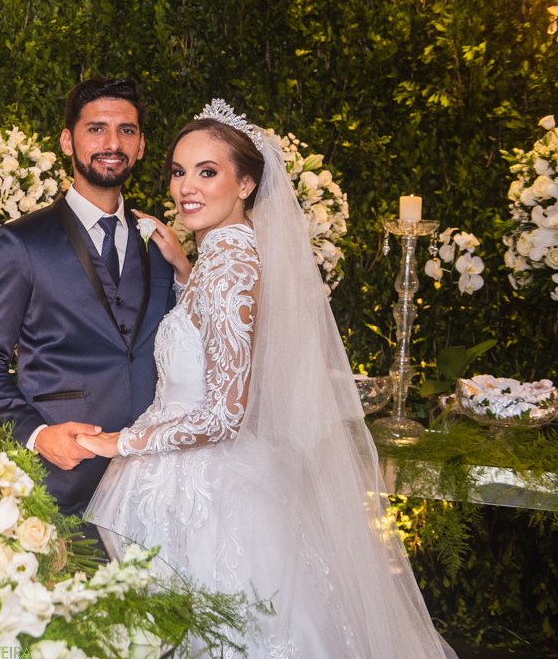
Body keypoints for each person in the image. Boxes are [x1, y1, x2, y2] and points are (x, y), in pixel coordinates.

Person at [77, 100, 457, 657]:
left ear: (248, 183)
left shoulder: (231, 261)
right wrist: (185, 270)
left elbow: (225, 414)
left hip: (207, 486)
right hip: (202, 478)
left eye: (208, 172)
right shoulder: (225, 253)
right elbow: (209, 339)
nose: (187, 187)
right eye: (179, 171)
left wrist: (120, 441)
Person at [0, 77, 183, 522]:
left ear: (141, 145)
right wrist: (37, 434)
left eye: (126, 130)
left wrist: (184, 271)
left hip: (153, 479)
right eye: (96, 128)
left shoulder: (159, 243)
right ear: (68, 140)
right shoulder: (22, 242)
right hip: (61, 478)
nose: (112, 143)